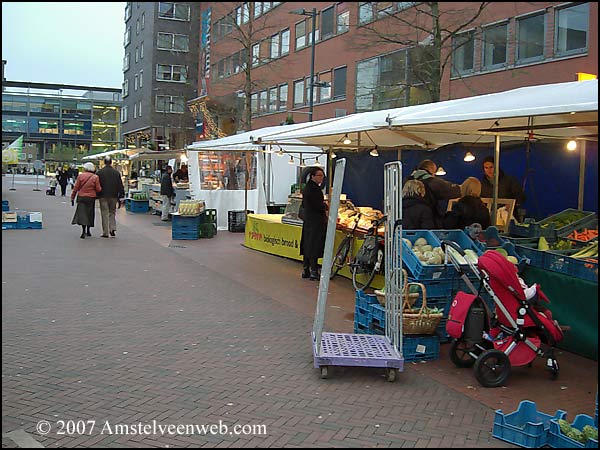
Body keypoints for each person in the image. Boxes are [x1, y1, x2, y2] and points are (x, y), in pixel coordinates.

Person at [407, 159, 461, 227]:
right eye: (434, 172)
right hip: (427, 221)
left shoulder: (406, 181)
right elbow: (454, 191)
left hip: (406, 222)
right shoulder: (433, 182)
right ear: (430, 169)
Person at [299, 167, 328, 280]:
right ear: (312, 176)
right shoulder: (313, 189)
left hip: (309, 220)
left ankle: (306, 269)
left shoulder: (309, 187)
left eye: (322, 175)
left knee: (308, 244)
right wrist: (325, 206)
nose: (321, 178)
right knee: (313, 245)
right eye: (319, 175)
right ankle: (314, 271)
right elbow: (316, 204)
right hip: (315, 221)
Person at [480, 156, 526, 220]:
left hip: (508, 217)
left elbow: (521, 196)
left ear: (496, 167)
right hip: (490, 218)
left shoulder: (509, 180)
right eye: (486, 168)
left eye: (491, 167)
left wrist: (512, 204)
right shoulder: (481, 184)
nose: (489, 170)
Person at [70, 162, 102, 239]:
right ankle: (88, 230)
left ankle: (83, 230)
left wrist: (72, 197)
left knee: (82, 213)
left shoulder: (80, 176)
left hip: (81, 197)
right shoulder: (95, 177)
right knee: (90, 213)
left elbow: (76, 188)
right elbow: (98, 189)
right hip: (91, 198)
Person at [96, 156, 125, 238]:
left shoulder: (99, 173)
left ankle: (105, 232)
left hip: (103, 196)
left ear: (104, 162)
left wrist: (97, 194)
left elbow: (97, 185)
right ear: (111, 162)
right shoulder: (116, 173)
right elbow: (120, 185)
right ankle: (112, 228)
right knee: (112, 212)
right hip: (113, 196)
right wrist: (121, 196)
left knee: (104, 213)